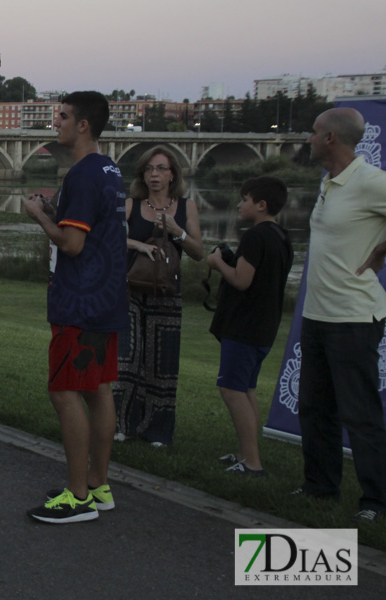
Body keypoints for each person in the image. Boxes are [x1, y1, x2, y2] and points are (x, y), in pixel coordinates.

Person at [22, 91, 127, 524]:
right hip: (105, 298)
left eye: (62, 116)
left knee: (64, 390)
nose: (56, 123)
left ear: (83, 125)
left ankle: (77, 496)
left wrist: (39, 216)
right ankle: (98, 485)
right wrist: (55, 210)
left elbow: (71, 242)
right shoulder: (109, 168)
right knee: (97, 389)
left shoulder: (83, 175)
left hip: (79, 302)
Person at [295, 107, 386, 524]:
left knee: (360, 413)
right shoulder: (329, 182)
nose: (308, 139)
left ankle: (376, 501)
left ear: (331, 138)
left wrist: (381, 252)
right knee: (314, 407)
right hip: (317, 316)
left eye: (314, 133)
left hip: (353, 317)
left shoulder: (369, 182)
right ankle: (320, 488)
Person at [113, 146, 204, 447]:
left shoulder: (186, 208)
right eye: (149, 169)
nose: (154, 175)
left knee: (161, 364)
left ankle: (157, 431)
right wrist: (137, 245)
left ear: (173, 174)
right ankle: (122, 424)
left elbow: (198, 252)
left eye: (161, 169)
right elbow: (109, 238)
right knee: (127, 360)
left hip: (167, 294)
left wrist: (177, 232)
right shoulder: (131, 205)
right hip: (131, 292)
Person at [207, 176, 293, 477]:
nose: (239, 204)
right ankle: (246, 453)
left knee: (231, 390)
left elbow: (242, 280)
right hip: (265, 327)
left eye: (244, 199)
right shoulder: (281, 236)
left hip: (244, 328)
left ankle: (252, 462)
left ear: (261, 205)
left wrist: (218, 263)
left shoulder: (255, 237)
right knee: (247, 390)